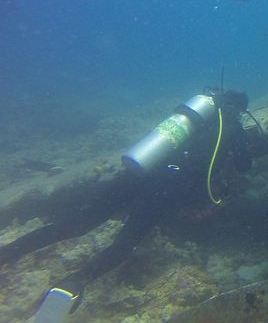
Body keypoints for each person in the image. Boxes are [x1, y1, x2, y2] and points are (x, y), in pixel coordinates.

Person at [0, 91, 251, 321]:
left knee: (78, 224)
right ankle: (74, 283)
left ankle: (9, 252)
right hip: (165, 190)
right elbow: (244, 165)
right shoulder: (232, 126)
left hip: (135, 173)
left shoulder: (186, 118)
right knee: (124, 242)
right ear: (239, 109)